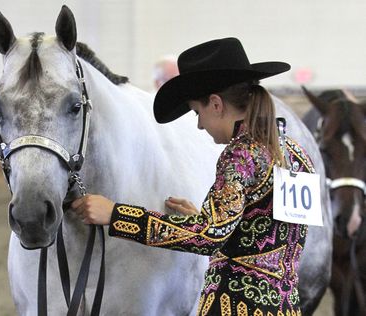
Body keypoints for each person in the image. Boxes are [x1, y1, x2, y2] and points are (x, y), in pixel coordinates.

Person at [72, 37, 315, 315]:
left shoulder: (241, 155)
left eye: (198, 112)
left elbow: (209, 236)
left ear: (215, 104)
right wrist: (206, 218)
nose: (199, 125)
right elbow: (276, 238)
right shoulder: (295, 153)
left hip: (236, 306)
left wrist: (117, 215)